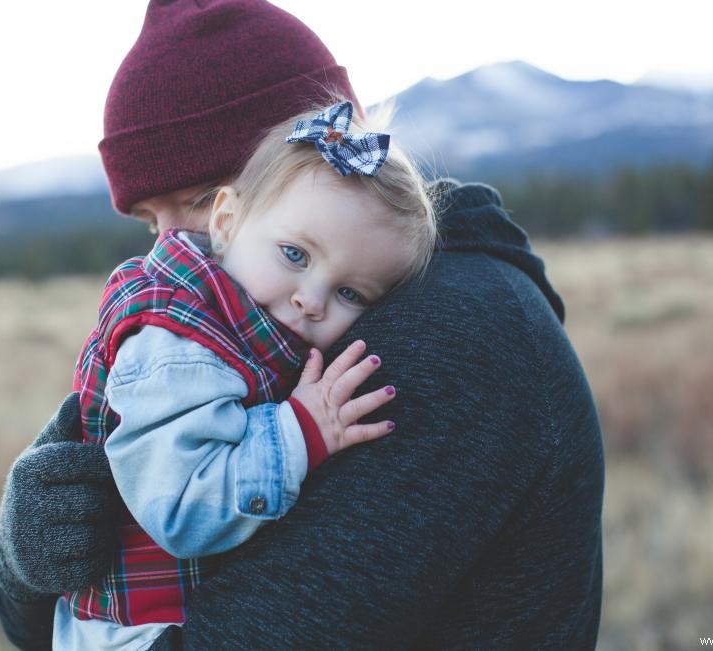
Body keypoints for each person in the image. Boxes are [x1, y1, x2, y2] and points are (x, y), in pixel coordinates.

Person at [0, 0, 604, 651]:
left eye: (198, 200)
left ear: (318, 153)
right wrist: (24, 558)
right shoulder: (243, 322)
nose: (170, 250)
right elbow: (41, 619)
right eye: (147, 222)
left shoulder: (450, 336)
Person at [55, 99, 436, 650]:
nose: (311, 300)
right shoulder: (177, 345)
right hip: (136, 634)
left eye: (350, 293)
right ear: (227, 222)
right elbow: (183, 508)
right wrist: (300, 430)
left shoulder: (248, 321)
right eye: (295, 255)